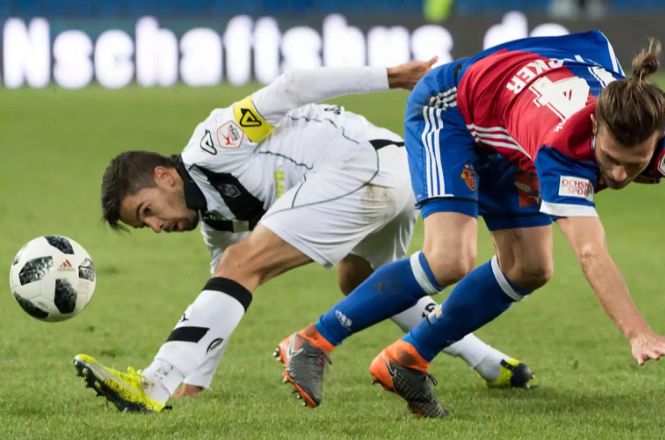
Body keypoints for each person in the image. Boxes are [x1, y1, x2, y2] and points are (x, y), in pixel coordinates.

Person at [279, 31, 665, 418]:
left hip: (508, 121)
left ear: (659, 141)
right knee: (452, 258)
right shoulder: (564, 142)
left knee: (531, 268)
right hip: (452, 108)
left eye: (636, 163)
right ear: (595, 128)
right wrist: (636, 331)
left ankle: (407, 359)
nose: (619, 177)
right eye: (612, 161)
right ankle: (312, 339)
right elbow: (591, 252)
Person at [72, 59, 534, 414]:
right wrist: (194, 381)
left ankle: (152, 382)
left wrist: (391, 76)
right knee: (362, 283)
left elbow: (292, 87)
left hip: (363, 167)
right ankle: (492, 363)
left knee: (244, 266)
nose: (156, 227)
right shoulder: (216, 222)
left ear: (165, 175)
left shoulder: (213, 144)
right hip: (397, 173)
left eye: (147, 211)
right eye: (144, 224)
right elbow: (221, 290)